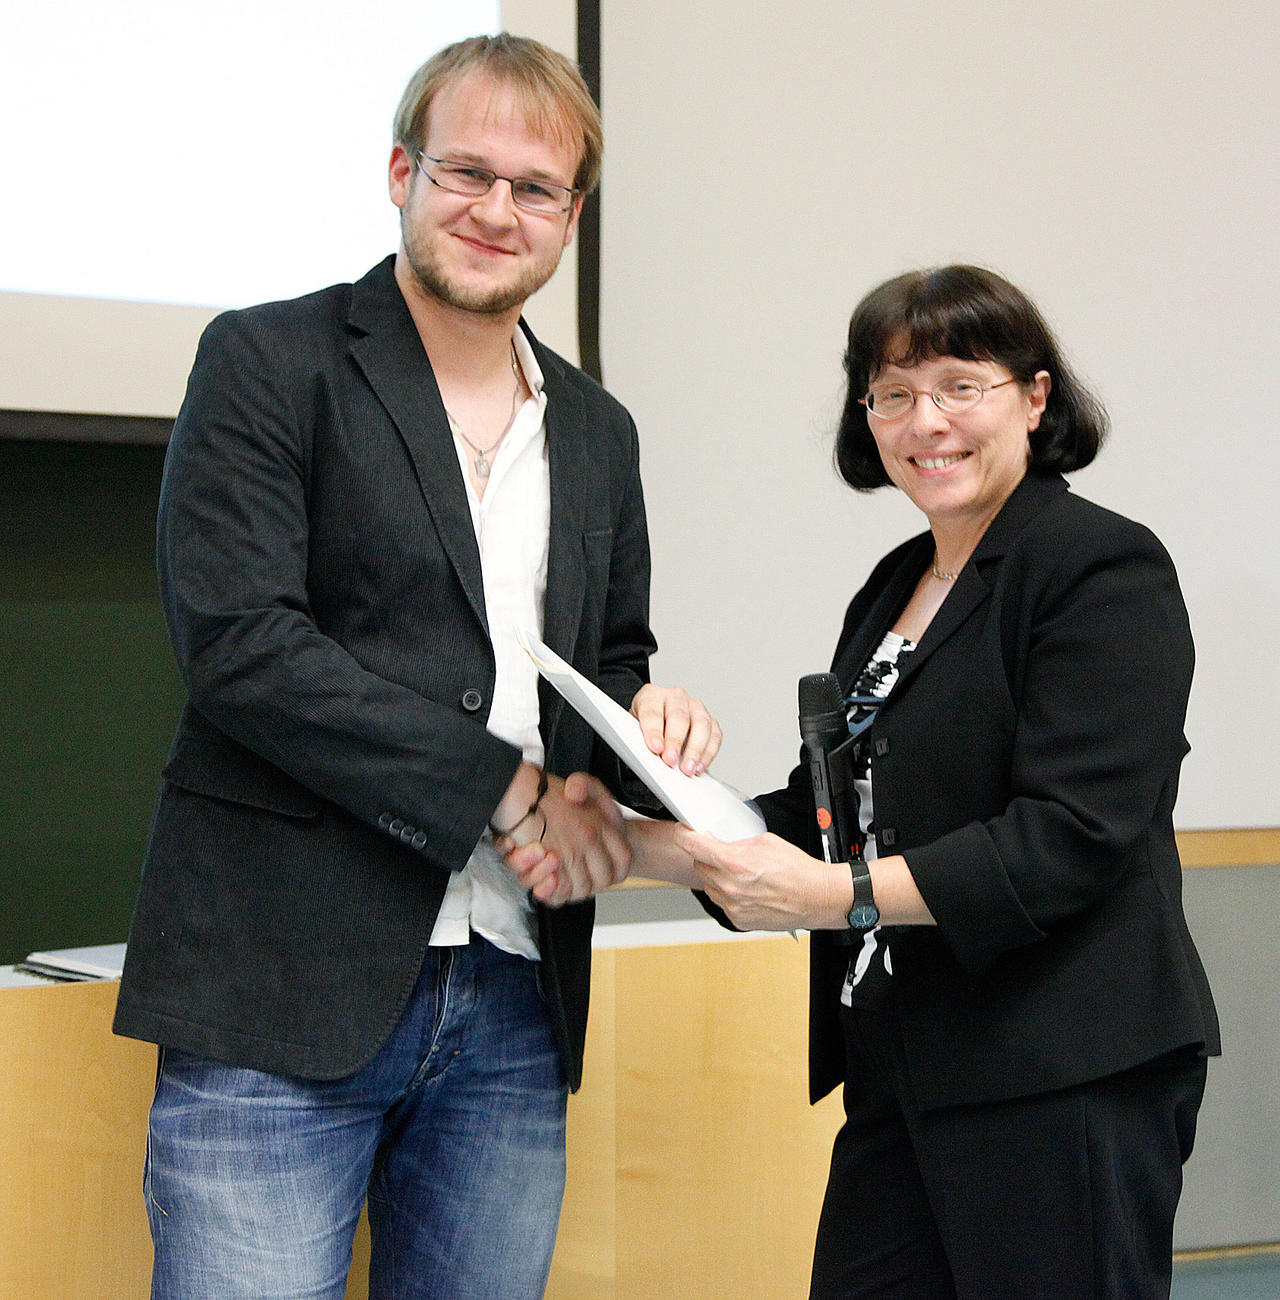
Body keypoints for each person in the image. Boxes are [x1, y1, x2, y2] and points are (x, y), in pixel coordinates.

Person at [113, 33, 720, 1300]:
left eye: (535, 187)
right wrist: (504, 790)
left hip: (515, 991)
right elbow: (243, 649)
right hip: (280, 984)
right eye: (466, 172)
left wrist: (647, 722)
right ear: (401, 172)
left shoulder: (598, 430)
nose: (497, 210)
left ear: (569, 218)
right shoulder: (267, 361)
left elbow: (606, 657)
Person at [515, 265, 1220, 1298]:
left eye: (960, 385)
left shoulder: (1097, 567)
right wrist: (633, 844)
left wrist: (831, 897)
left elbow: (1068, 836)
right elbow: (828, 815)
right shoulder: (893, 587)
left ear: (1033, 398)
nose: (925, 421)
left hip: (1061, 1067)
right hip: (906, 1064)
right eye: (892, 394)